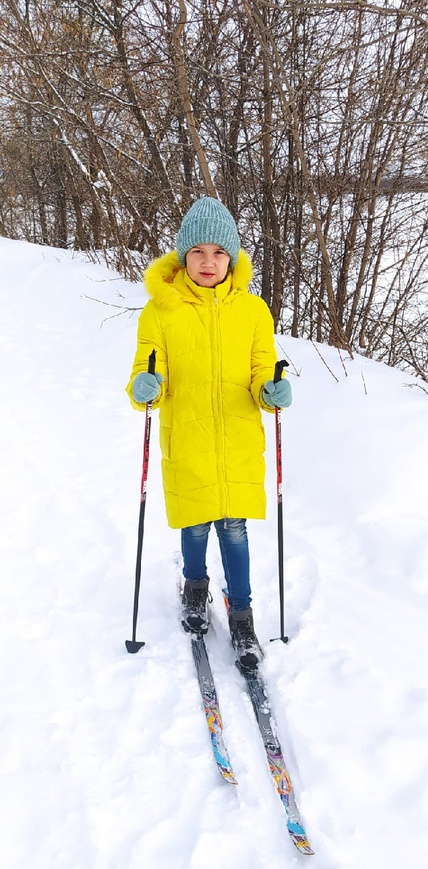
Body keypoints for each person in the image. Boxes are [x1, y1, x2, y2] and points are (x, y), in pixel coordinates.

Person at [126, 196, 292, 671]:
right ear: (183, 256)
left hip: (238, 438)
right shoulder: (160, 311)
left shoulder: (254, 311)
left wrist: (271, 390)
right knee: (196, 523)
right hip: (190, 438)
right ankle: (195, 588)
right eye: (197, 251)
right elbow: (145, 373)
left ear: (233, 258)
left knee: (234, 529)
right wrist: (144, 387)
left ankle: (242, 613)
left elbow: (262, 370)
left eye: (219, 252)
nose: (208, 261)